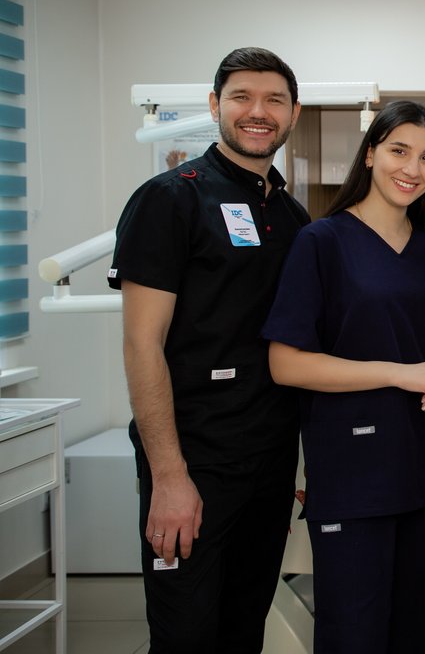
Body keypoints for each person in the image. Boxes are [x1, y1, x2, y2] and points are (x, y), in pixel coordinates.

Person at [109, 47, 309, 652]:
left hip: (269, 459)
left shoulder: (292, 217)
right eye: (242, 97)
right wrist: (169, 477)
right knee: (185, 635)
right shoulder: (170, 199)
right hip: (194, 458)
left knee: (243, 629)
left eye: (274, 100)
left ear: (293, 112)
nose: (258, 112)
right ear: (215, 105)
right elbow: (142, 344)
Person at [263, 100, 425, 653]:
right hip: (355, 475)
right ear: (372, 153)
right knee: (353, 635)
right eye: (400, 151)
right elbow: (286, 363)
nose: (413, 168)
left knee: (415, 632)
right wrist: (403, 374)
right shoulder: (322, 243)